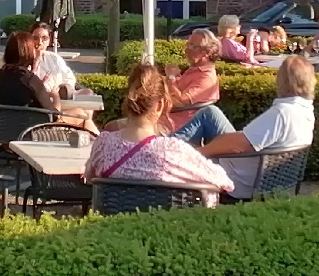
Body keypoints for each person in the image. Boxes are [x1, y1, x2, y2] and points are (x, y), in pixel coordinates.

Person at [85, 64, 233, 208]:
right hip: (165, 228)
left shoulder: (103, 144)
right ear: (160, 105)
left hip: (114, 227)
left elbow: (90, 178)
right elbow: (224, 181)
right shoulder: (173, 151)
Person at [194, 56, 318, 201]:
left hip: (239, 181)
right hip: (264, 177)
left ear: (283, 81)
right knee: (210, 113)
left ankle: (169, 155)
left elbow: (238, 146)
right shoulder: (306, 111)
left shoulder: (282, 113)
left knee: (190, 148)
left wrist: (198, 153)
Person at [0, 31, 97, 133]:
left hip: (2, 133)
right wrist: (55, 96)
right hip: (32, 134)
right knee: (81, 115)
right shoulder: (30, 80)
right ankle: (105, 147)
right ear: (28, 53)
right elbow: (55, 115)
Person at [162, 30, 223, 131]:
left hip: (178, 126)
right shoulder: (194, 69)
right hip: (165, 119)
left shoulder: (206, 78)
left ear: (207, 52)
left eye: (193, 47)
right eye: (187, 45)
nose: (187, 50)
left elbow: (180, 101)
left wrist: (171, 77)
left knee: (130, 130)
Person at [29, 21, 76, 97]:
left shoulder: (55, 58)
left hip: (58, 98)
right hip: (37, 101)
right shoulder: (24, 59)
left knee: (88, 92)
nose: (40, 42)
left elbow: (69, 78)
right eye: (35, 38)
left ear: (49, 41)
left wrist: (61, 89)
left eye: (44, 38)